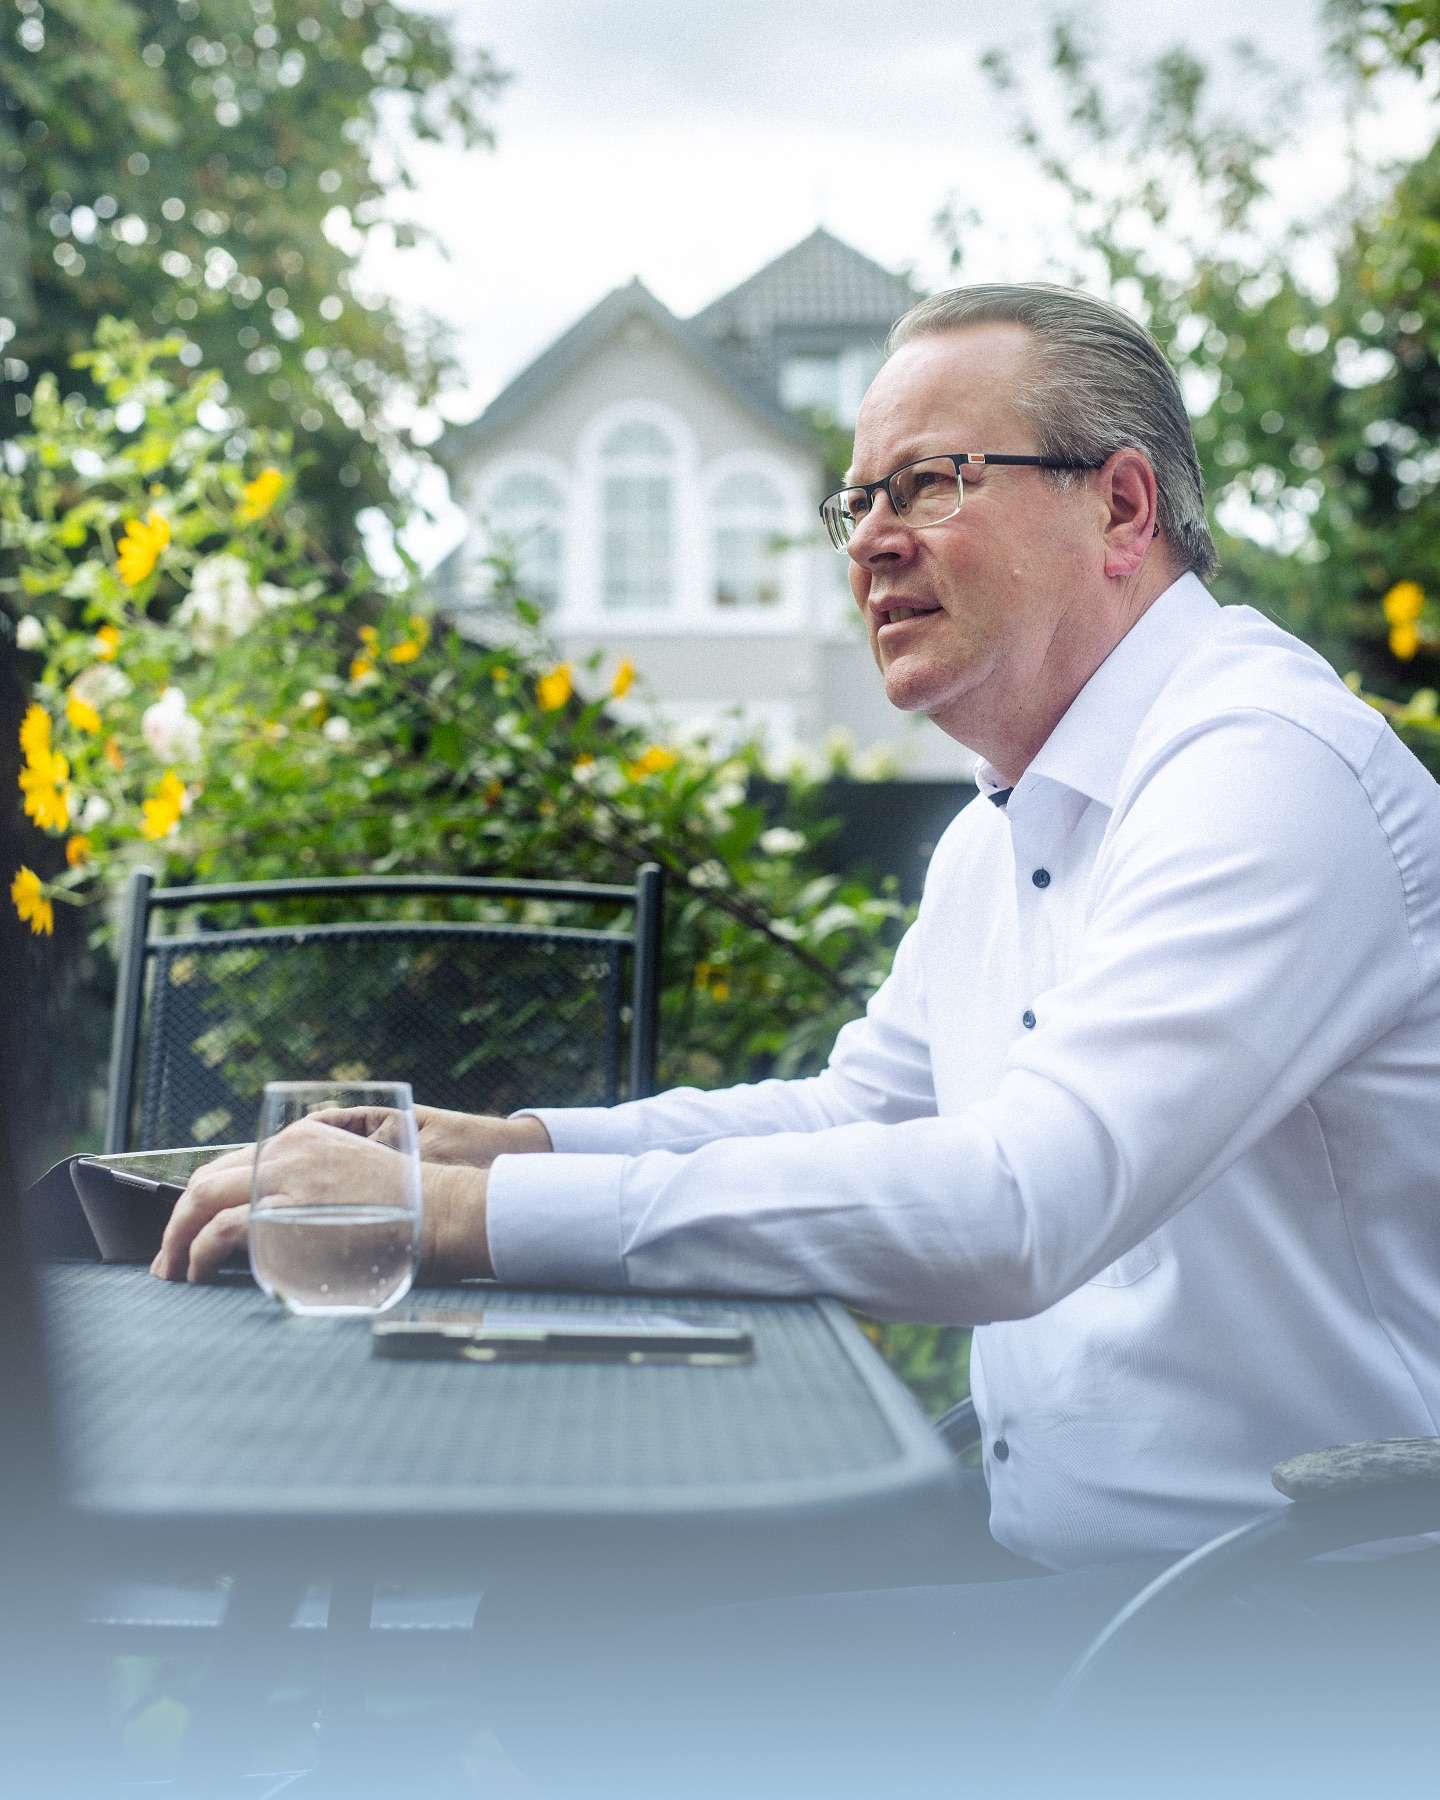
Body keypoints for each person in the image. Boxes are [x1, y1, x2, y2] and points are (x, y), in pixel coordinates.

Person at [153, 284, 1440, 1790]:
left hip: (1295, 1617)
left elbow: (1023, 1208)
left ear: (1124, 507)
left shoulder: (1261, 778)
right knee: (555, 1602)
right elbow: (862, 1114)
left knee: (622, 1671)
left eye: (933, 483)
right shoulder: (1007, 825)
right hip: (1072, 1546)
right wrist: (513, 1144)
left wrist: (456, 1218)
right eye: (860, 497)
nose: (872, 538)